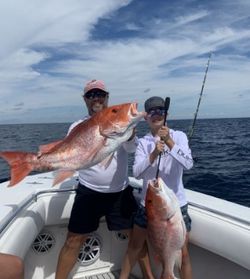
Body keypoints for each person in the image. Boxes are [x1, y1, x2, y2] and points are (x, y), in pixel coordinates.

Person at [55, 80, 151, 279]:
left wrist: (131, 134)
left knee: (136, 239)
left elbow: (132, 149)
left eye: (100, 94)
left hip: (119, 192)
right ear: (85, 100)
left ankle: (150, 277)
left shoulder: (124, 125)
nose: (96, 98)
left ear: (107, 97)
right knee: (73, 240)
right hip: (88, 192)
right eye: (91, 95)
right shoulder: (77, 126)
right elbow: (71, 157)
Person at [120, 96, 193, 279]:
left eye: (160, 111)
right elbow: (136, 172)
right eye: (152, 112)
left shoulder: (179, 136)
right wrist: (153, 155)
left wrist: (168, 141)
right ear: (146, 118)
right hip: (149, 208)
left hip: (175, 209)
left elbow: (188, 163)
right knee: (134, 247)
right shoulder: (143, 143)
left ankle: (167, 273)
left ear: (166, 114)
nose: (156, 115)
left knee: (183, 255)